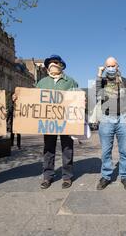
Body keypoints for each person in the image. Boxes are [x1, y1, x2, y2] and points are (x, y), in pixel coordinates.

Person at [15, 55, 79, 189]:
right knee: (48, 149)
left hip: (66, 121)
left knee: (67, 149)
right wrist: (19, 98)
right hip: (48, 123)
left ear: (61, 65)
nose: (52, 64)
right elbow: (33, 100)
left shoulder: (71, 82)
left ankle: (67, 176)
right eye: (50, 62)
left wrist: (81, 101)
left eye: (56, 62)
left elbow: (76, 98)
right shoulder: (42, 82)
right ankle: (47, 176)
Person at [95, 57, 126, 191]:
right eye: (108, 66)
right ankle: (106, 176)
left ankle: (125, 176)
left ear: (117, 66)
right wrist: (99, 74)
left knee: (124, 150)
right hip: (106, 118)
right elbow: (97, 94)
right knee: (106, 151)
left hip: (122, 118)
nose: (111, 68)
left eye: (113, 66)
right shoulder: (103, 81)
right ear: (105, 68)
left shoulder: (125, 81)